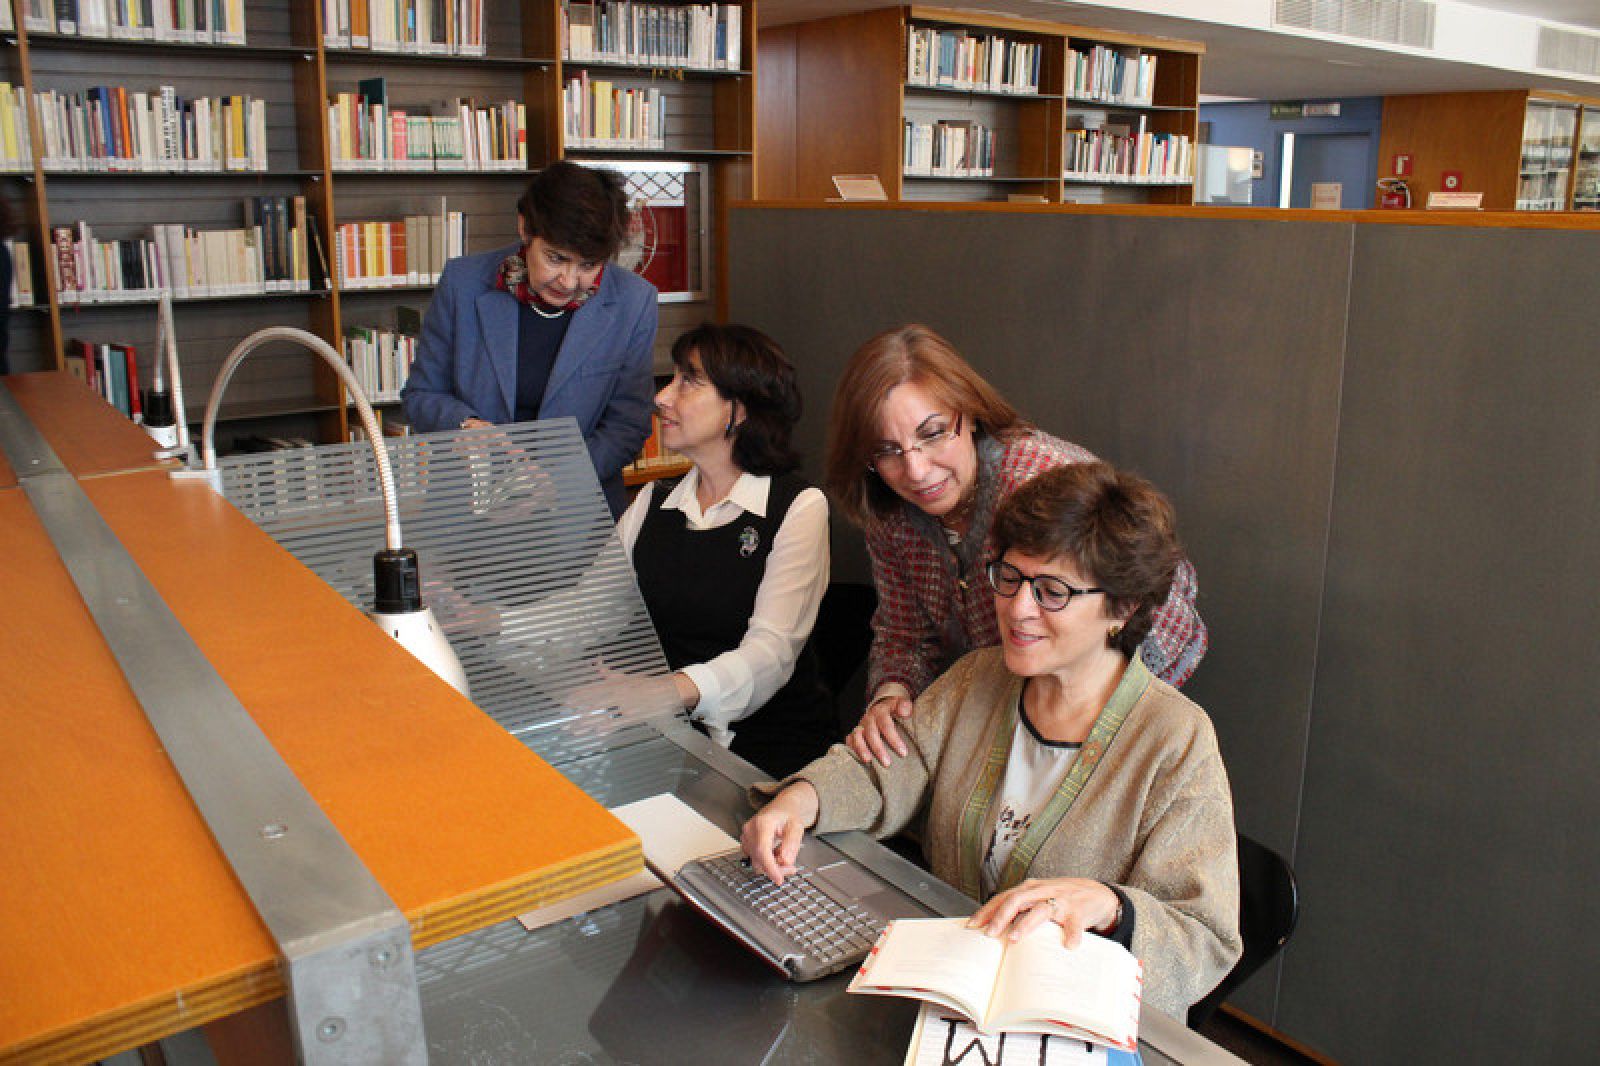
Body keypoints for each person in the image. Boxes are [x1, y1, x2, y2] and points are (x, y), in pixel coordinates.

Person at [741, 462, 1241, 1017]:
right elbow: (883, 770)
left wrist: (1111, 905)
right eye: (1009, 577)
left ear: (1122, 608)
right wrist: (801, 800)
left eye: (1051, 591)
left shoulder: (1175, 739)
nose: (1017, 608)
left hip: (1069, 1020)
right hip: (947, 993)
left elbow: (1203, 937)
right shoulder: (979, 678)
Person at [825, 324, 1207, 766]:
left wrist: (1097, 723)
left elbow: (1157, 610)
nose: (915, 471)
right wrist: (891, 694)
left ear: (969, 413)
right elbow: (904, 633)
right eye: (887, 450)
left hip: (1095, 705)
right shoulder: (890, 510)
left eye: (932, 434)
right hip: (997, 705)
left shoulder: (1038, 483)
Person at [619, 323, 837, 778]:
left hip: (771, 755)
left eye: (689, 381)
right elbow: (588, 608)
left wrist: (666, 691)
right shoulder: (653, 499)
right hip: (673, 742)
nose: (662, 397)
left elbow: (770, 654)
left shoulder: (798, 506)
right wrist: (496, 623)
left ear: (738, 409)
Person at [402, 161, 658, 517]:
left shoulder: (634, 301)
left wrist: (557, 481)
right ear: (525, 228)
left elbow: (627, 425)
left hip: (576, 514)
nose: (568, 281)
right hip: (467, 510)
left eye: (588, 266)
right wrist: (463, 425)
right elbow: (421, 395)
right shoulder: (463, 283)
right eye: (556, 259)